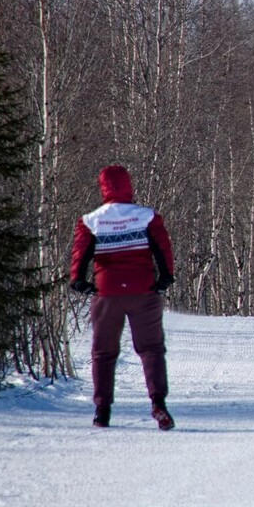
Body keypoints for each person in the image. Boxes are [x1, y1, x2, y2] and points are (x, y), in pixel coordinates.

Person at [70, 165, 176, 431]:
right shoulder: (147, 217)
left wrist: (79, 281)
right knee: (151, 349)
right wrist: (165, 278)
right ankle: (158, 403)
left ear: (102, 187)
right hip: (143, 292)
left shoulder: (91, 220)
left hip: (107, 294)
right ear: (128, 185)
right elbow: (163, 248)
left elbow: (80, 254)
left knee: (103, 353)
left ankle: (102, 411)